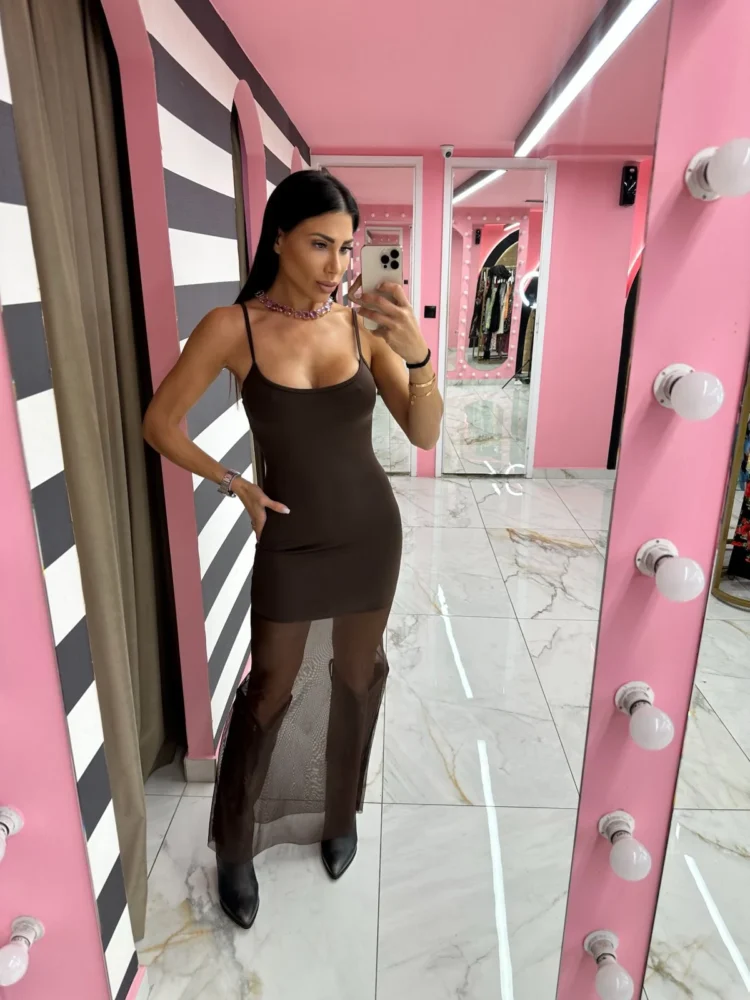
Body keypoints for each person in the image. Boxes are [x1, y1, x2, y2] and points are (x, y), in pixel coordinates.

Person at [142, 170, 443, 929]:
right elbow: (160, 423)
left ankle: (339, 815)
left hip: (369, 534)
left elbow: (423, 432)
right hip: (291, 542)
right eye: (319, 244)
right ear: (278, 237)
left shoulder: (361, 328)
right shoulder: (230, 328)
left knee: (355, 678)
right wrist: (234, 483)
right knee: (269, 688)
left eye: (345, 248)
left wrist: (417, 356)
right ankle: (236, 844)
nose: (337, 265)